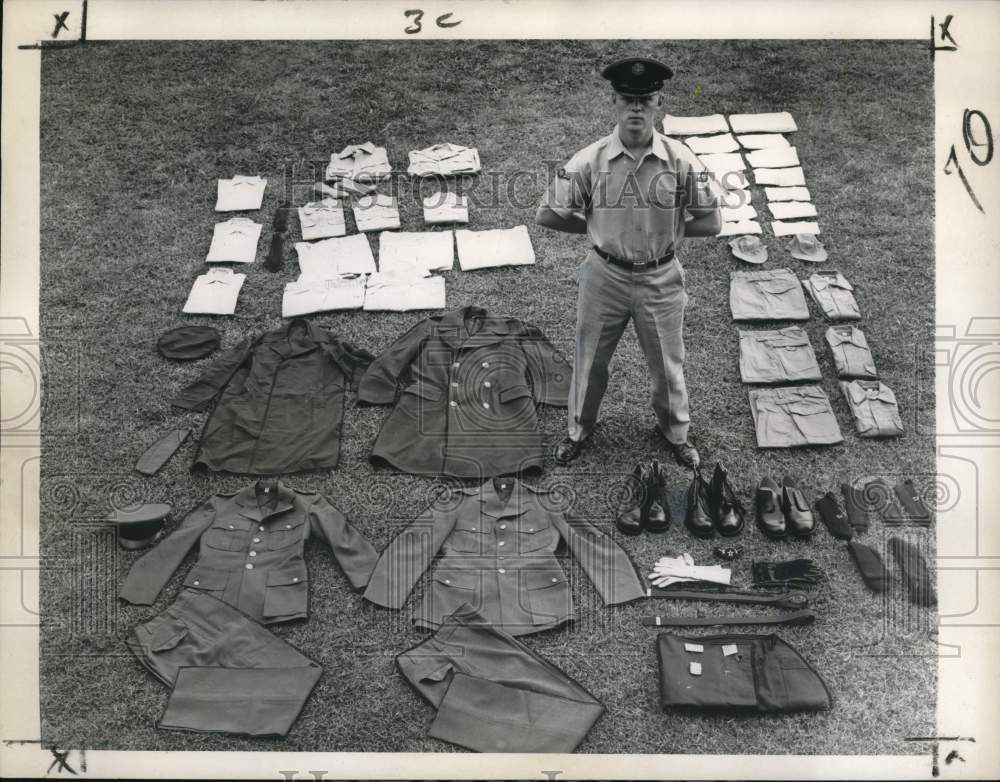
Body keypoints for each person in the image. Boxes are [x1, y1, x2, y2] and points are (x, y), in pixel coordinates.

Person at [535, 56, 721, 469]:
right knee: (590, 361)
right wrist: (598, 231)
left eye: (646, 100)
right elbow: (547, 214)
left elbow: (711, 220)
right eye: (628, 100)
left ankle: (675, 434)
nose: (636, 108)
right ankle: (578, 431)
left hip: (661, 279)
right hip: (605, 277)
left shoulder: (680, 160)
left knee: (668, 364)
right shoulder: (590, 161)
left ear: (658, 104)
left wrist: (669, 234)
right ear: (615, 102)